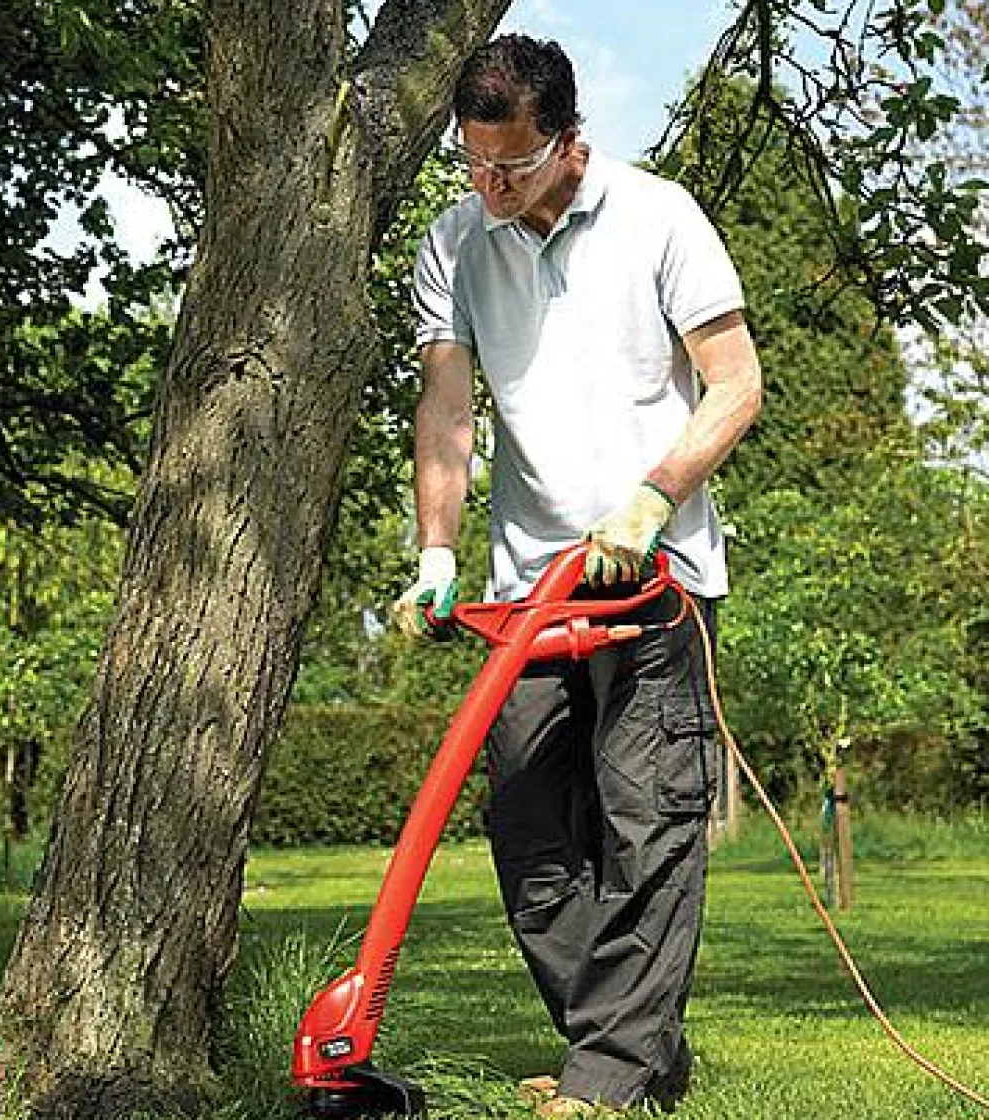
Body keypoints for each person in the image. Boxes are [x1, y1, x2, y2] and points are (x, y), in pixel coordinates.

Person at [392, 33, 762, 1119]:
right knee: (528, 827)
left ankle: (608, 1071)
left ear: (568, 143)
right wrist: (436, 550)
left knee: (647, 817)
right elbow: (447, 409)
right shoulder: (456, 242)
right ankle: (630, 1043)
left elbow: (736, 385)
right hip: (529, 584)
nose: (488, 186)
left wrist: (653, 498)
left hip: (653, 574)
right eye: (471, 162)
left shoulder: (660, 218)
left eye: (509, 165)